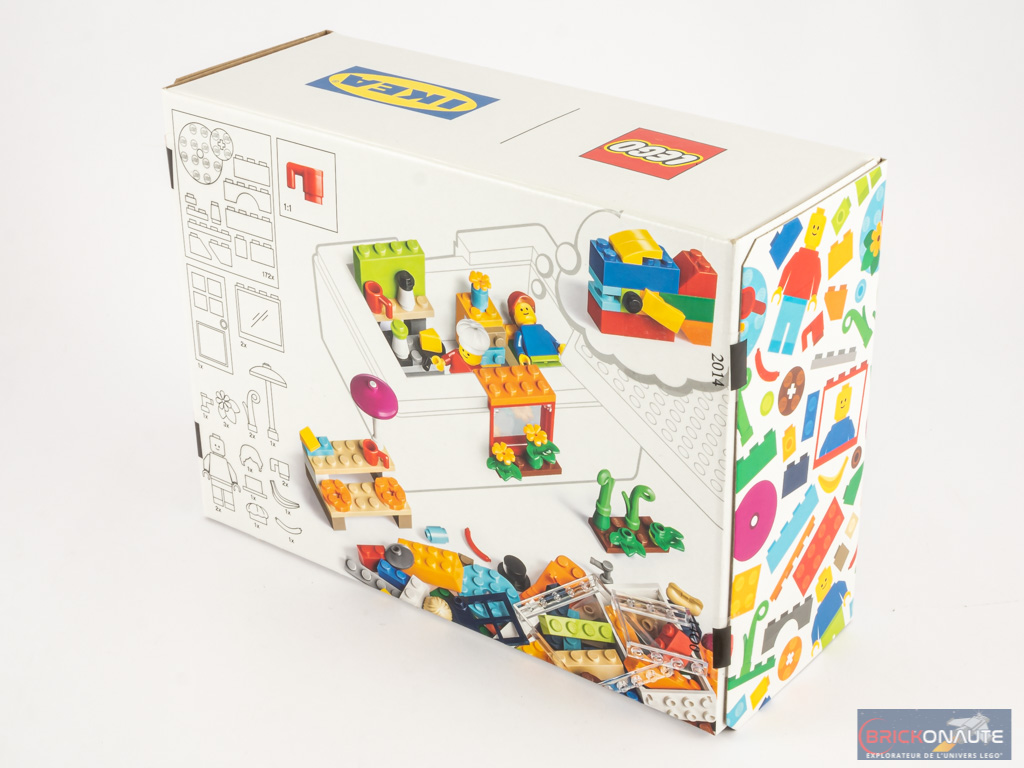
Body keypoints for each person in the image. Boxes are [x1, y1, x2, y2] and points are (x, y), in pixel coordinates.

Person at [507, 291, 564, 366]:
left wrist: (559, 346)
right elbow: (518, 345)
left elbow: (553, 340)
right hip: (532, 359)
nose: (525, 311)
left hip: (552, 357)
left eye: (527, 308)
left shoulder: (542, 330)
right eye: (521, 310)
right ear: (514, 317)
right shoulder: (520, 333)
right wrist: (521, 354)